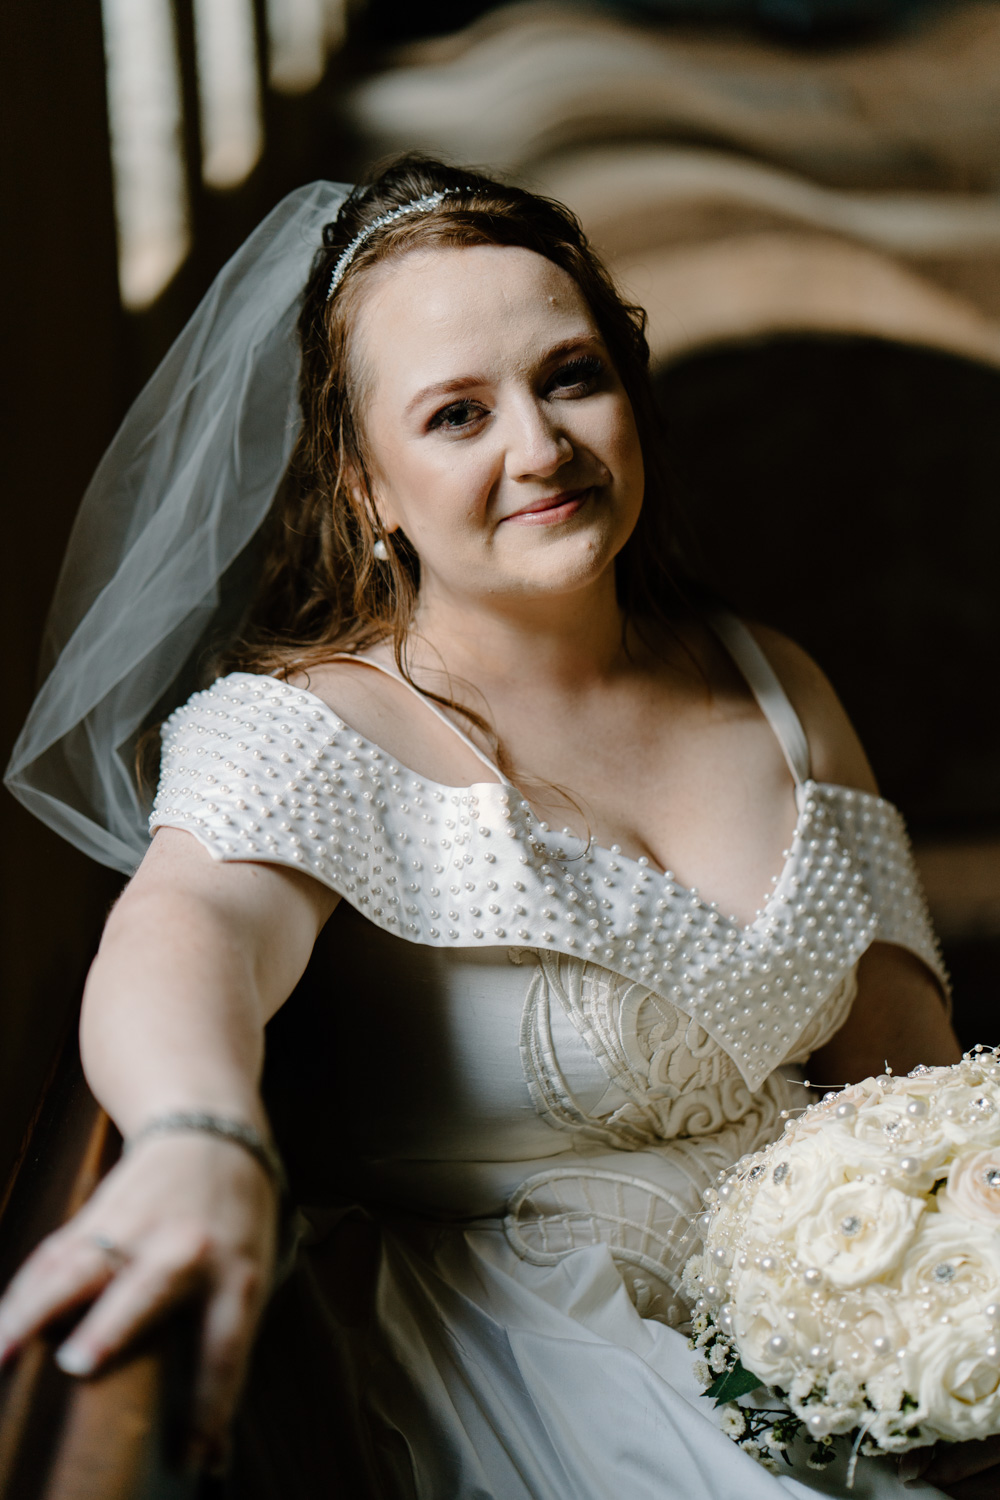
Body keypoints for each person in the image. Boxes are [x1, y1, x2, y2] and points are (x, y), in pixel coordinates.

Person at [0, 156, 984, 1498]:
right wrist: (194, 1137)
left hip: (832, 1349)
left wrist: (953, 1308)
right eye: (458, 414)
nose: (539, 448)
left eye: (571, 377)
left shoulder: (776, 684)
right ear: (365, 484)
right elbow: (190, 929)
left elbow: (911, 1084)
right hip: (534, 1384)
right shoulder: (303, 730)